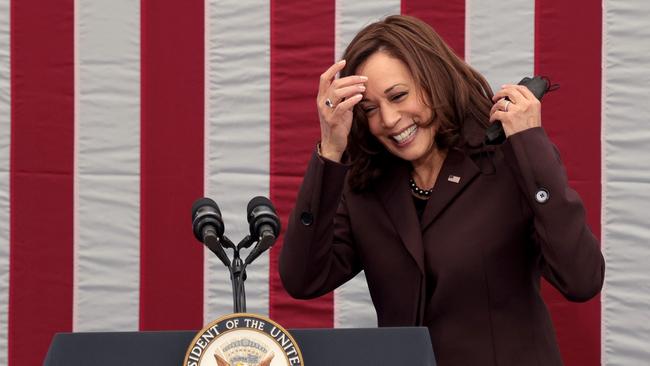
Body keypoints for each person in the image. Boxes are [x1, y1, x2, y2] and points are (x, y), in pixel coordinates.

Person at [279, 15, 604, 366]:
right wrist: (330, 150)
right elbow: (303, 279)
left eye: (399, 95)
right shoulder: (366, 183)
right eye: (371, 109)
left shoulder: (511, 159)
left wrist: (531, 145)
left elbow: (582, 280)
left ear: (434, 79)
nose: (388, 120)